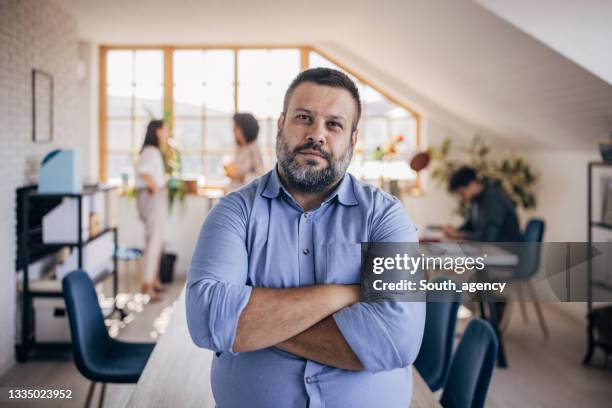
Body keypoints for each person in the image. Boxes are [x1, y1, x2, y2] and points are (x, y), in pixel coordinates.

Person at [186, 68, 425, 407]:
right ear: (281, 124)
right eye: (304, 118)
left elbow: (396, 341)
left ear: (353, 139)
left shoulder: (386, 217)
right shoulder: (233, 212)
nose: (317, 135)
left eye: (334, 124)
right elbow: (207, 320)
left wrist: (254, 325)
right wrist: (339, 296)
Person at [135, 119, 169, 301]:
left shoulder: (151, 151)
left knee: (156, 240)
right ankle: (147, 286)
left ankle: (153, 280)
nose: (167, 134)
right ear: (157, 131)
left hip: (152, 197)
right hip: (151, 198)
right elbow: (143, 172)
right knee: (154, 242)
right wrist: (155, 187)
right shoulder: (151, 151)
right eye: (165, 130)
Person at [443, 166, 522, 242]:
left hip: (505, 251)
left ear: (472, 184)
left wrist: (460, 235)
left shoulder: (493, 198)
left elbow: (488, 237)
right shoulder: (476, 201)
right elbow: (469, 226)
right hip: (490, 249)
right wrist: (455, 231)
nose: (462, 198)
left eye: (462, 193)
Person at [224, 112, 264, 190]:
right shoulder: (239, 147)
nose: (234, 130)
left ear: (244, 129)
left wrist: (241, 177)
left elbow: (260, 175)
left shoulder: (254, 148)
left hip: (245, 195)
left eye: (236, 127)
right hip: (233, 192)